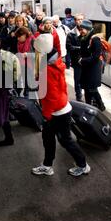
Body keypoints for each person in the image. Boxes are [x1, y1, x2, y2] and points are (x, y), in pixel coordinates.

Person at [31, 34, 90, 177]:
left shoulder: (47, 70)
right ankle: (47, 165)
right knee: (49, 138)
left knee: (65, 140)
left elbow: (51, 96)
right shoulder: (56, 61)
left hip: (56, 111)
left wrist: (46, 116)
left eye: (36, 51)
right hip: (61, 107)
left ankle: (83, 165)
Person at [78, 20, 106, 111]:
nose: (81, 30)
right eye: (80, 28)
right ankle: (88, 106)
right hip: (87, 67)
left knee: (92, 89)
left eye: (82, 29)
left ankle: (101, 106)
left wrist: (83, 60)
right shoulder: (84, 38)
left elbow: (96, 56)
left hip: (93, 69)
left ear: (88, 29)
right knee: (87, 88)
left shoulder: (95, 39)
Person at [66, 13, 85, 101]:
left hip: (87, 60)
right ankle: (79, 96)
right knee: (77, 80)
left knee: (87, 79)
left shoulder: (88, 31)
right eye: (78, 19)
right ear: (75, 21)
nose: (80, 21)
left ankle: (90, 96)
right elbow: (68, 46)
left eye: (81, 19)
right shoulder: (71, 33)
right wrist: (80, 48)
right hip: (77, 60)